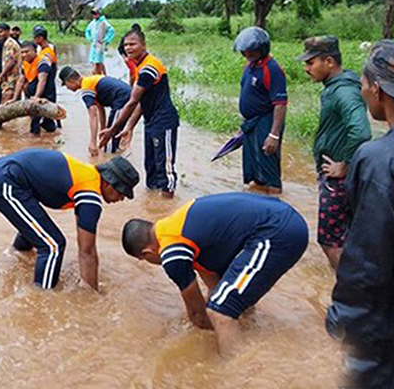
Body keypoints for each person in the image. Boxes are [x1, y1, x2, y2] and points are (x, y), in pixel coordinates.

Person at [121, 192, 308, 356]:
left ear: (147, 253)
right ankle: (249, 346)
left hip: (277, 231)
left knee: (221, 311)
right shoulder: (175, 226)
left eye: (145, 260)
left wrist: (197, 342)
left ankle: (235, 374)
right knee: (227, 300)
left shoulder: (171, 252)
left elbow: (198, 316)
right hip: (282, 218)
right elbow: (214, 286)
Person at [326, 40, 394, 388]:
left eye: (363, 83)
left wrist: (345, 318)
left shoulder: (378, 160)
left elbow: (367, 259)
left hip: (391, 330)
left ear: (377, 90)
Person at [0, 149, 138, 289]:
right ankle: (41, 297)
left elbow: (83, 239)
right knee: (53, 246)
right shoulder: (90, 193)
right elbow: (87, 251)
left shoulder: (87, 176)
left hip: (5, 175)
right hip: (5, 180)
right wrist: (91, 295)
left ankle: (16, 255)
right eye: (122, 193)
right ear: (110, 183)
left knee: (43, 231)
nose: (122, 199)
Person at [297, 36, 372, 270]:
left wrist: (345, 164)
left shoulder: (343, 92)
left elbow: (361, 131)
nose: (306, 68)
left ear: (329, 62)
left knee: (330, 241)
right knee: (347, 236)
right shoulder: (336, 87)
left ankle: (348, 294)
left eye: (311, 63)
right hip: (341, 177)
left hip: (338, 180)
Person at [100, 24, 180, 196]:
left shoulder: (148, 69)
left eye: (133, 44)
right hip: (151, 121)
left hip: (164, 121)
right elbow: (141, 104)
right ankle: (152, 204)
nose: (128, 48)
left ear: (143, 45)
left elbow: (132, 102)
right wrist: (129, 127)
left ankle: (167, 206)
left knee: (165, 168)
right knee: (150, 165)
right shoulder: (138, 66)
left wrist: (114, 129)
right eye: (126, 44)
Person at [234, 27, 288, 194]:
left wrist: (274, 135)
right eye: (245, 50)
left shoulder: (272, 69)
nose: (247, 53)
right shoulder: (250, 66)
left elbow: (280, 103)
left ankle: (274, 204)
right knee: (253, 166)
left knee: (268, 166)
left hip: (266, 122)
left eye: (252, 50)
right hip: (251, 124)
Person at [60, 66, 131, 157]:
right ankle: (117, 153)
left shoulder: (86, 88)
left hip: (123, 99)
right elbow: (100, 110)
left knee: (109, 140)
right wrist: (102, 130)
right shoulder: (91, 82)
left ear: (70, 80)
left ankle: (106, 160)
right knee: (111, 136)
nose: (67, 88)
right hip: (127, 97)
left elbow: (93, 116)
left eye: (66, 84)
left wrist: (93, 142)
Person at [13, 41, 57, 133]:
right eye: (22, 52)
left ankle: (44, 141)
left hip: (46, 95)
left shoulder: (42, 62)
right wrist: (14, 99)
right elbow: (20, 81)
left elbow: (42, 80)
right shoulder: (24, 64)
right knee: (37, 122)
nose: (24, 55)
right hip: (33, 95)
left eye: (27, 52)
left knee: (41, 123)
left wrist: (37, 97)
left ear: (34, 52)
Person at [0, 22, 21, 106]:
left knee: (7, 98)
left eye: (1, 32)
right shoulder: (3, 43)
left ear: (8, 31)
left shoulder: (10, 43)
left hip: (11, 76)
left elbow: (11, 62)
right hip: (5, 76)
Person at [85, 8, 114, 75]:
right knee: (94, 60)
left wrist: (106, 39)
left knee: (98, 61)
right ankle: (103, 75)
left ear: (99, 14)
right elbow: (87, 30)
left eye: (95, 13)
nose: (94, 15)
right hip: (93, 44)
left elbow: (111, 31)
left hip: (100, 44)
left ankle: (96, 75)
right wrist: (89, 38)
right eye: (93, 14)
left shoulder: (103, 22)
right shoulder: (92, 23)